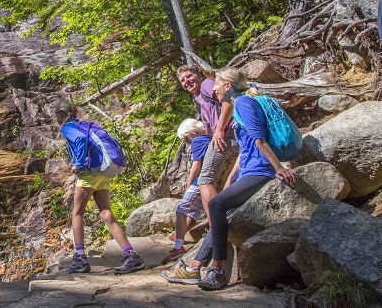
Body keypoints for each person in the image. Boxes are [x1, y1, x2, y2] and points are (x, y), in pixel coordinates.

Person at [162, 67, 297, 290]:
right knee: (220, 210)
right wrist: (231, 178)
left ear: (228, 86)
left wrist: (278, 168)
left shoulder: (242, 103)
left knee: (216, 204)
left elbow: (258, 140)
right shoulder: (238, 105)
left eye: (216, 84)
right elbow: (244, 148)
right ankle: (195, 267)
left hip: (261, 170)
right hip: (249, 169)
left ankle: (217, 270)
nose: (213, 88)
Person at [55, 100, 146, 275]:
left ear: (61, 114)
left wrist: (78, 164)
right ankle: (131, 254)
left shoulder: (67, 127)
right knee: (106, 213)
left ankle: (80, 258)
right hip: (102, 171)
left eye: (56, 115)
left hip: (89, 173)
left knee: (77, 213)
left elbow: (81, 140)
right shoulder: (85, 125)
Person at [176, 66, 238, 225]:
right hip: (225, 138)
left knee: (205, 180)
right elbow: (208, 129)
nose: (186, 82)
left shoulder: (207, 85)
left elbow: (228, 101)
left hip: (232, 136)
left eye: (189, 76)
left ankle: (216, 226)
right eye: (182, 80)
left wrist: (219, 130)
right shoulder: (199, 100)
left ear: (199, 75)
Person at [161, 118, 212, 264]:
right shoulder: (209, 138)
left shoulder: (197, 141)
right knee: (193, 212)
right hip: (211, 181)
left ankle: (178, 247)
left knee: (181, 210)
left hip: (200, 181)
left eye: (186, 138)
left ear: (193, 132)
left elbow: (196, 165)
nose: (186, 141)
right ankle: (180, 235)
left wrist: (189, 185)